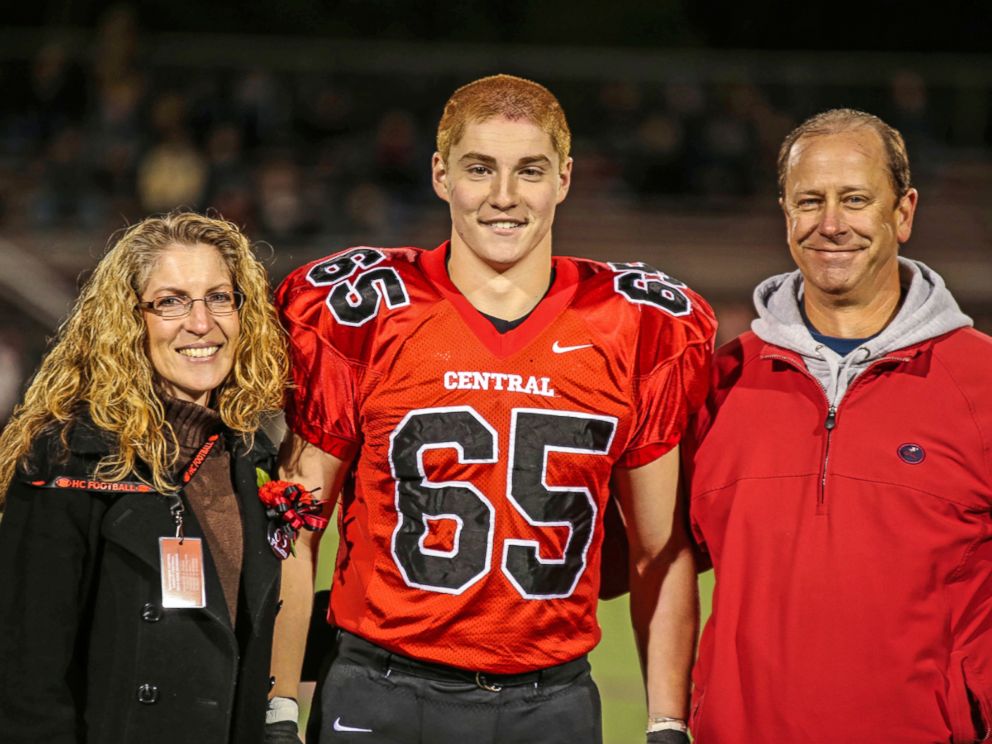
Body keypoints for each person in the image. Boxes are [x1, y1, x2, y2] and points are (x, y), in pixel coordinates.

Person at [265, 74, 716, 744]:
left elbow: (659, 551)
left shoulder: (637, 323)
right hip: (380, 685)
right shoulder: (365, 310)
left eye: (528, 170)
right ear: (441, 174)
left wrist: (667, 724)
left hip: (551, 698)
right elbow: (293, 527)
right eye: (481, 169)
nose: (504, 197)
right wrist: (277, 710)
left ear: (563, 178)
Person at [684, 109, 992, 742]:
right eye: (809, 201)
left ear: (903, 212)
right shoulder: (719, 382)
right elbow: (652, 565)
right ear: (785, 214)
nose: (831, 224)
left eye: (855, 199)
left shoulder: (983, 381)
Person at [0, 211, 290, 744]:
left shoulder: (251, 457)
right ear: (129, 321)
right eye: (172, 301)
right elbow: (25, 679)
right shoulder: (69, 459)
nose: (201, 323)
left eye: (219, 297)